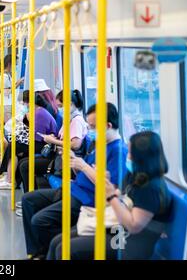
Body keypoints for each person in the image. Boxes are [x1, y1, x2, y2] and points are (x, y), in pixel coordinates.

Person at [21, 103, 128, 258]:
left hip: (87, 200)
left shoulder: (118, 151)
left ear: (107, 125)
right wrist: (73, 163)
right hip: (74, 189)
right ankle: (36, 252)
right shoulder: (99, 145)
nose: (90, 130)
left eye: (93, 126)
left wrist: (84, 167)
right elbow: (84, 173)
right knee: (28, 200)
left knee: (39, 221)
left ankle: (46, 252)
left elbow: (111, 188)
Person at [47, 131, 172, 260]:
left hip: (127, 243)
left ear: (142, 156)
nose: (128, 157)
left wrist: (111, 196)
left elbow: (133, 225)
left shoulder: (151, 189)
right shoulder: (137, 177)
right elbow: (122, 198)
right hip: (117, 228)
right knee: (57, 241)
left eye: (130, 153)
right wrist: (105, 183)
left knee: (65, 248)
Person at [16, 89, 88, 215]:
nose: (59, 109)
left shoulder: (76, 121)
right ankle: (31, 199)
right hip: (59, 156)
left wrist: (52, 141)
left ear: (70, 104)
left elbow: (75, 145)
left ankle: (32, 202)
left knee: (25, 166)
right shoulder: (69, 119)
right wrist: (53, 139)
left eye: (61, 106)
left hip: (66, 161)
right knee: (24, 162)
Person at [0, 90, 57, 190]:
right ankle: (11, 178)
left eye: (25, 102)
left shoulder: (39, 114)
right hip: (42, 142)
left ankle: (9, 179)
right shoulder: (38, 111)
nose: (24, 104)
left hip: (45, 145)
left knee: (14, 146)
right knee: (14, 145)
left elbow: (36, 137)